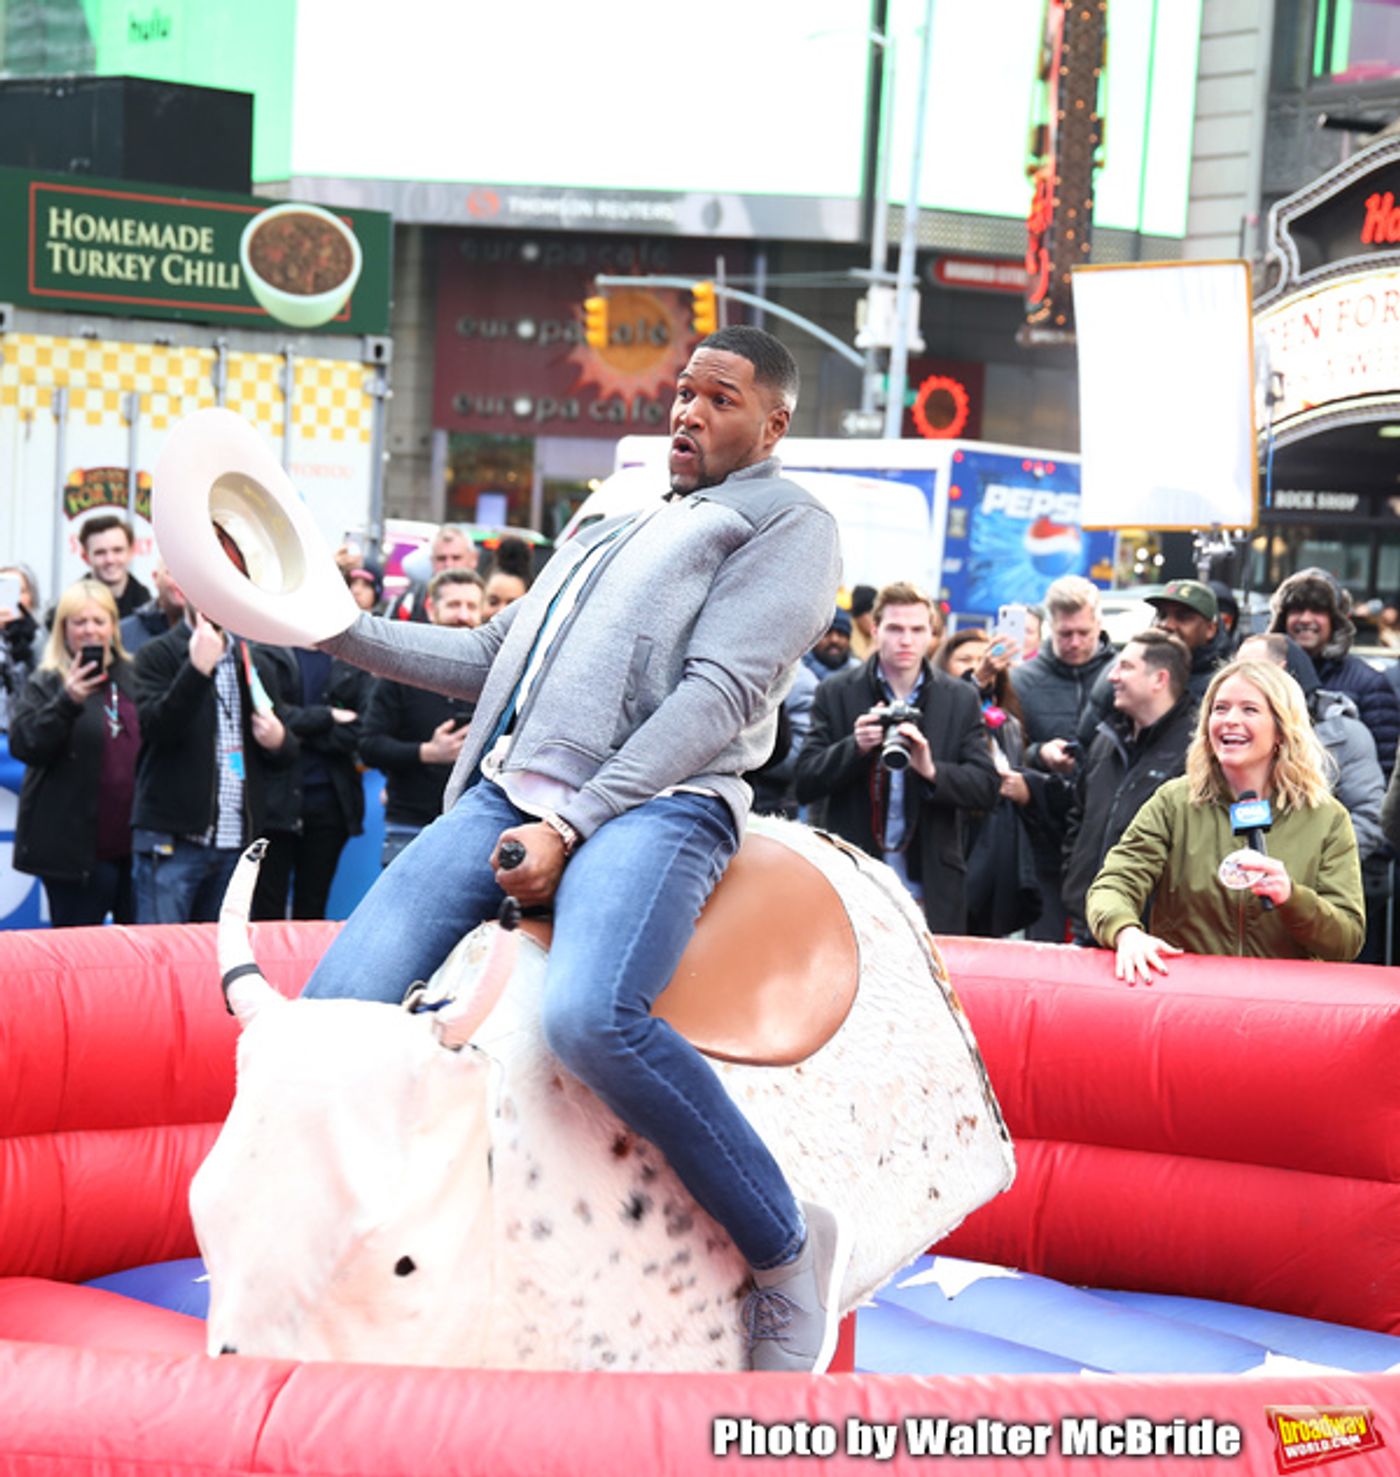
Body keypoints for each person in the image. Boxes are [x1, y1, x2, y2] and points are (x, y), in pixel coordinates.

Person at [302, 326, 847, 1373]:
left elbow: (718, 696)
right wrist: (330, 627)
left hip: (660, 807)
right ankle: (351, 1243)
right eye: (682, 393)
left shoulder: (791, 523)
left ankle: (784, 1248)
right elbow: (486, 657)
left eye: (718, 399)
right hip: (505, 793)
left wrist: (575, 822)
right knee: (333, 1014)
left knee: (590, 1019)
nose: (686, 412)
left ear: (773, 423)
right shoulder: (610, 517)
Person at [1085, 659, 1365, 982]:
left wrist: (1292, 898)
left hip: (1285, 1011)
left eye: (1249, 709)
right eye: (1220, 709)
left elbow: (1347, 940)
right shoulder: (1174, 803)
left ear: (1281, 728)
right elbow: (1114, 884)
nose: (1230, 720)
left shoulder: (1326, 818)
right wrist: (1126, 932)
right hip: (1194, 1001)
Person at [794, 582, 999, 931]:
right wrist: (854, 747)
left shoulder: (959, 698)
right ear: (875, 631)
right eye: (895, 628)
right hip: (854, 880)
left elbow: (987, 787)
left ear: (932, 634)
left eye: (917, 629)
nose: (906, 640)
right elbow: (804, 782)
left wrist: (932, 771)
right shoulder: (837, 691)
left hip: (932, 883)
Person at [131, 605, 296, 924]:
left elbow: (286, 752)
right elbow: (156, 729)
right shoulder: (158, 653)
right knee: (162, 959)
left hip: (236, 844)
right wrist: (195, 670)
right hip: (174, 842)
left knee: (218, 960)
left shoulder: (254, 661)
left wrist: (279, 741)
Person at [8, 580, 140, 925]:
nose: (90, 630)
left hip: (133, 851)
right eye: (78, 622)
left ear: (113, 626)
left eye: (98, 621)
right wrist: (67, 701)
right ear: (63, 629)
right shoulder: (47, 680)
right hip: (74, 855)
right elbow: (26, 744)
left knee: (136, 962)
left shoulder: (133, 675)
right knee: (78, 956)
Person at [1062, 630, 1195, 944]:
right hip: (1088, 924)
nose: (1112, 677)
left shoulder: (1195, 752)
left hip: (1150, 938)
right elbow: (1077, 819)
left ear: (1159, 679)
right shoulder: (1106, 739)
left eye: (1125, 667)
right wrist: (1075, 880)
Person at [1009, 575, 1116, 941]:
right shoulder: (1023, 680)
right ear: (1050, 627)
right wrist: (1040, 753)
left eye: (1083, 632)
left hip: (1103, 828)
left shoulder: (1120, 673)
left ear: (1099, 624)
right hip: (1043, 826)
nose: (1074, 642)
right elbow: (1006, 748)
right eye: (1065, 633)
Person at [359, 569, 483, 867]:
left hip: (473, 828)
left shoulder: (498, 677)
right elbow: (368, 745)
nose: (463, 615)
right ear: (431, 609)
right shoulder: (402, 672)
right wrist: (428, 753)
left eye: (472, 606)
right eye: (454, 605)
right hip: (409, 825)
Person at [936, 628, 1041, 937]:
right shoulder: (942, 709)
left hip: (998, 848)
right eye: (964, 660)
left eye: (985, 658)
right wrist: (976, 680)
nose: (979, 664)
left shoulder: (1009, 721)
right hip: (956, 841)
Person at [1268, 566, 1400, 775]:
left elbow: (1386, 769)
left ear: (1336, 620)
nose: (1305, 618)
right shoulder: (1266, 677)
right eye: (1297, 609)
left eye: (1317, 610)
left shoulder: (1370, 684)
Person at [77, 513, 150, 619]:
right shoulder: (64, 613)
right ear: (85, 557)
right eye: (100, 552)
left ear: (131, 552)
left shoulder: (150, 613)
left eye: (117, 550)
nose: (110, 560)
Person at [0, 562, 43, 731]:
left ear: (31, 597)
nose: (13, 597)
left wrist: (32, 641)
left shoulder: (41, 637)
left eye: (21, 590)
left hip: (27, 737)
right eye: (5, 589)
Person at [119, 560, 186, 655]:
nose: (181, 582)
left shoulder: (211, 632)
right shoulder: (124, 632)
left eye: (189, 576)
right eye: (173, 573)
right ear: (155, 578)